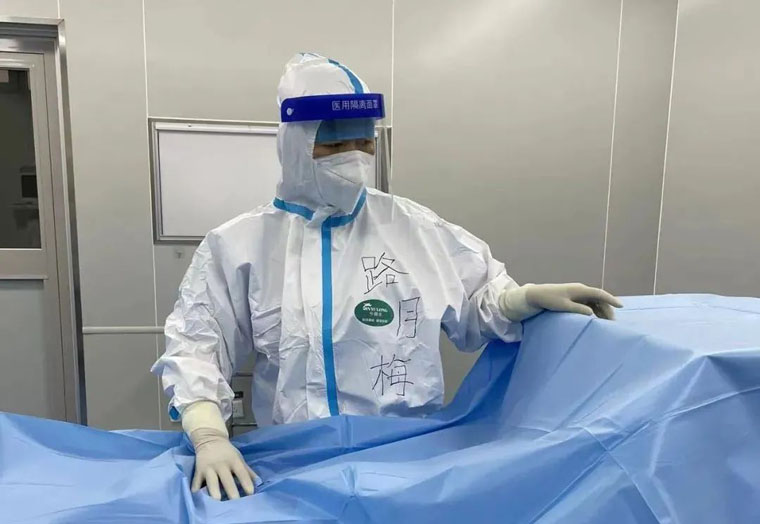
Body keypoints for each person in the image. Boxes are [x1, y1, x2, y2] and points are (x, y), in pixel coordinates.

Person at [151, 53, 622, 501]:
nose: (353, 157)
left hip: (407, 467)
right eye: (334, 144)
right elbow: (197, 344)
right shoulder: (239, 245)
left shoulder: (415, 230)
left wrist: (521, 300)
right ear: (294, 144)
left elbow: (478, 305)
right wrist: (209, 435)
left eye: (364, 143)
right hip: (291, 465)